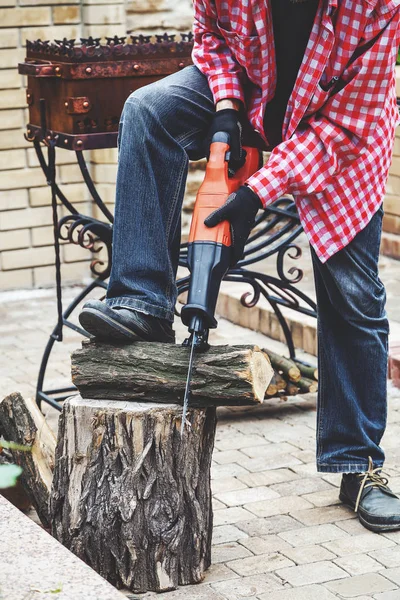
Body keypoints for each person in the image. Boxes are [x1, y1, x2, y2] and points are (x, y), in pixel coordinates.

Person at [79, 0, 400, 532]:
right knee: (148, 109)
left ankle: (358, 464)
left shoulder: (377, 7)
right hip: (252, 89)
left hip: (340, 133)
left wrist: (256, 193)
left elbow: (345, 128)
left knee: (354, 296)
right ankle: (142, 299)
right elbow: (212, 33)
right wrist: (227, 106)